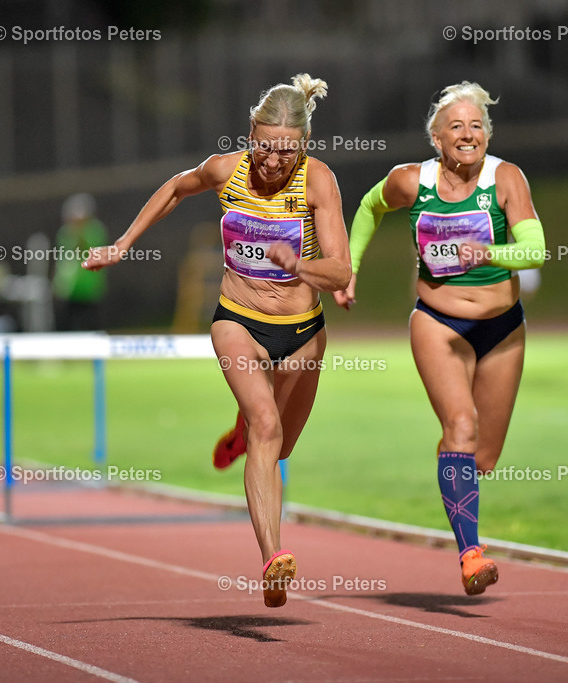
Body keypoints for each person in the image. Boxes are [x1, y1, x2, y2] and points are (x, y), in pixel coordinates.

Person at [83, 74, 350, 608]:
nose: (272, 162)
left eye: (286, 152)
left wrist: (301, 265)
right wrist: (123, 244)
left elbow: (341, 271)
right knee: (267, 428)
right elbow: (177, 188)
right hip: (238, 321)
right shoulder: (227, 170)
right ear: (248, 134)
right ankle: (273, 557)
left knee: (277, 447)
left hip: (302, 335)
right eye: (263, 148)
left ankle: (240, 429)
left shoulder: (318, 181)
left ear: (304, 146)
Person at [335, 82, 545, 596]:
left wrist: (488, 254)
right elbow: (367, 207)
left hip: (503, 328)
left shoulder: (506, 178)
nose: (468, 134)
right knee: (461, 425)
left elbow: (536, 250)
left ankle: (455, 470)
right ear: (436, 137)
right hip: (437, 322)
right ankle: (471, 555)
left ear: (488, 136)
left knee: (484, 455)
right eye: (456, 126)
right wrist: (350, 268)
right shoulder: (411, 182)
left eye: (477, 126)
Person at [55, 193, 108, 331]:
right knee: (65, 327)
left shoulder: (95, 230)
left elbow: (85, 248)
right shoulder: (65, 232)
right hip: (69, 287)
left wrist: (79, 231)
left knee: (91, 326)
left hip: (89, 288)